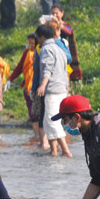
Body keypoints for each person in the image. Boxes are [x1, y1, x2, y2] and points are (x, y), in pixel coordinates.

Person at [34, 23, 72, 157]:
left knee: (51, 121)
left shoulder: (46, 49)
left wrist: (42, 85)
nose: (37, 41)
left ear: (42, 37)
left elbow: (47, 68)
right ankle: (54, 152)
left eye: (38, 38)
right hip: (62, 89)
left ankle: (66, 151)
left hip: (53, 90)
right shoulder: (59, 49)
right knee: (47, 122)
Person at [6, 33, 39, 141]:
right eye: (29, 43)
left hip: (39, 88)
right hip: (28, 87)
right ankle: (37, 136)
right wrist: (10, 79)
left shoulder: (42, 52)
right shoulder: (27, 53)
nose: (31, 45)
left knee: (41, 113)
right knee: (32, 113)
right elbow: (19, 67)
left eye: (33, 43)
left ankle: (42, 137)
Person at [51, 3, 82, 82]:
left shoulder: (66, 25)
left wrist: (59, 25)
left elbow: (69, 32)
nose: (54, 15)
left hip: (64, 52)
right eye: (52, 13)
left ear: (62, 13)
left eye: (56, 13)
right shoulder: (49, 25)